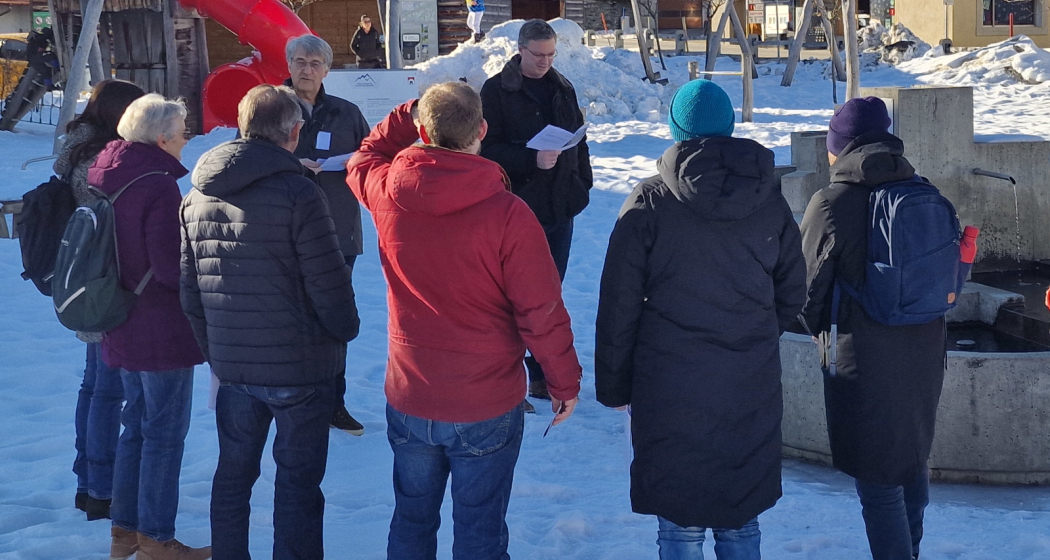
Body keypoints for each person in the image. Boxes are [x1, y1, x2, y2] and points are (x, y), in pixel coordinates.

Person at [347, 81, 582, 559]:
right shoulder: (508, 213)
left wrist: (410, 112)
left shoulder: (389, 191)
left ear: (423, 131)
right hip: (485, 399)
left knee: (411, 522)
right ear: (482, 130)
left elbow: (364, 156)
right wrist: (563, 381)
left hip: (412, 393)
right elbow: (540, 309)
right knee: (480, 531)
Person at [594, 79, 808, 560]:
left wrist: (614, 385)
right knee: (740, 517)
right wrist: (753, 333)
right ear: (728, 126)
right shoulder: (768, 199)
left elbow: (619, 304)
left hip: (669, 380)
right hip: (747, 378)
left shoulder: (649, 201)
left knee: (680, 523)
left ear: (676, 130)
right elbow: (793, 289)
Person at [181, 84, 360, 560]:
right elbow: (329, 282)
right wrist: (344, 332)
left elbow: (190, 291)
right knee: (298, 483)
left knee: (232, 476)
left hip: (234, 366)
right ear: (295, 132)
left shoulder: (196, 194)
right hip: (300, 366)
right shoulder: (299, 191)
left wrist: (218, 352)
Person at [798, 97, 945, 560]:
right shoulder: (924, 190)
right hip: (926, 350)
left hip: (864, 357)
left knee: (878, 480)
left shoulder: (830, 203)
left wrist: (818, 330)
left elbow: (806, 291)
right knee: (912, 459)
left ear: (838, 148)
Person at [87, 94, 209, 560]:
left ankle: (125, 532)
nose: (186, 139)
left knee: (135, 427)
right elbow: (168, 267)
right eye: (181, 131)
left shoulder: (109, 169)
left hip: (119, 318)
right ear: (161, 138)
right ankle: (156, 538)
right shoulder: (157, 183)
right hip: (160, 328)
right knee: (163, 434)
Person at [480, 19, 592, 408]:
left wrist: (583, 183)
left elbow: (580, 140)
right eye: (539, 55)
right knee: (512, 297)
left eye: (552, 55)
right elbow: (485, 150)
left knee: (549, 295)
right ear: (521, 49)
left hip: (561, 205)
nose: (545, 62)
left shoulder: (563, 87)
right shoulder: (496, 91)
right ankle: (509, 378)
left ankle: (542, 375)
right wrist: (531, 159)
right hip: (518, 208)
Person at [54, 78, 144, 522]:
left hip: (84, 278)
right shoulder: (100, 159)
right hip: (103, 282)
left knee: (94, 386)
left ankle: (88, 481)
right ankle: (101, 487)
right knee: (107, 389)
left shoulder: (78, 149)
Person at [284, 33, 371, 435]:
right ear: (288, 65)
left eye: (315, 63)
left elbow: (372, 158)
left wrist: (353, 163)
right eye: (300, 61)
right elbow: (244, 157)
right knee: (290, 321)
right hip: (283, 232)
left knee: (333, 320)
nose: (307, 70)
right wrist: (293, 163)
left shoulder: (346, 112)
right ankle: (293, 403)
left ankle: (334, 403)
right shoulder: (269, 107)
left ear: (327, 70)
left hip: (338, 231)